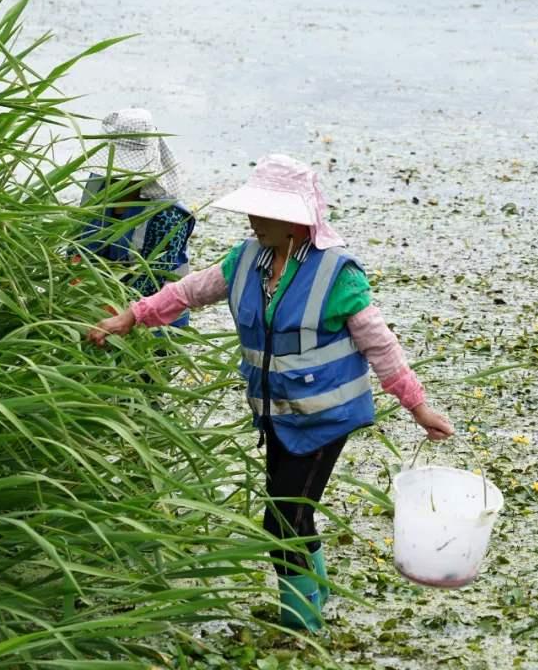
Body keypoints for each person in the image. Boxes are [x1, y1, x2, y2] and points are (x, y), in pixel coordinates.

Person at [86, 154, 454, 632]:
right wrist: (131, 316)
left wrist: (418, 406)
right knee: (294, 516)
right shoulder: (246, 260)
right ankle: (315, 596)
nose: (252, 220)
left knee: (281, 522)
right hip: (277, 415)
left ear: (295, 221)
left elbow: (381, 346)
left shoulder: (337, 275)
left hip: (325, 419)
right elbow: (187, 292)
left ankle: (301, 626)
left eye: (262, 212)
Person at [74, 108, 195, 328]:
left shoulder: (168, 214)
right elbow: (79, 243)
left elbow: (151, 283)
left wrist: (110, 310)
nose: (116, 177)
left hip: (157, 320)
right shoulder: (96, 187)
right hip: (97, 310)